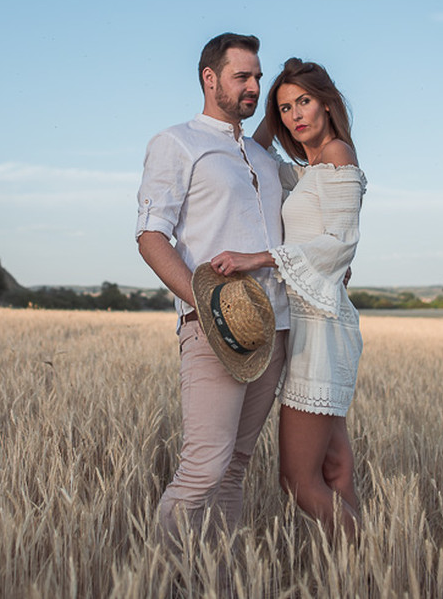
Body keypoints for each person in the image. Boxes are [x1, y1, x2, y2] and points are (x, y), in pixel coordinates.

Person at [135, 33, 290, 548]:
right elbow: (151, 237)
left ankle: (220, 581)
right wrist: (206, 306)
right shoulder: (177, 143)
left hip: (275, 329)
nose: (253, 85)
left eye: (258, 78)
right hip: (211, 328)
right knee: (203, 468)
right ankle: (156, 582)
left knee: (235, 468)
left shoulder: (261, 157)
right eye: (241, 76)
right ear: (210, 78)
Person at [209, 57, 365, 540]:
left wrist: (255, 259)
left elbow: (338, 245)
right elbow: (252, 157)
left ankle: (371, 560)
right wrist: (266, 123)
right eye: (285, 108)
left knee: (297, 481)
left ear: (326, 103)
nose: (297, 115)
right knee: (335, 469)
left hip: (320, 332)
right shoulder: (310, 170)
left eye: (304, 101)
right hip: (314, 326)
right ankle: (364, 573)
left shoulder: (337, 154)